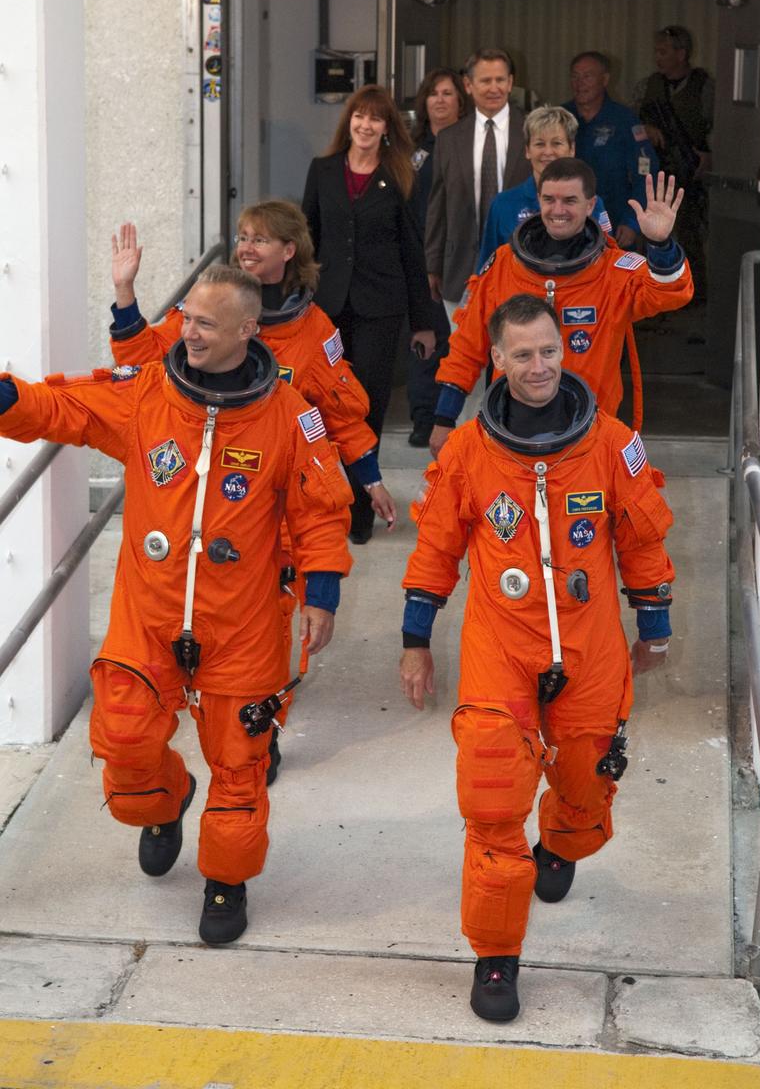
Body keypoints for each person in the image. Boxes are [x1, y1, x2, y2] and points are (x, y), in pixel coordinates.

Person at [0, 266, 353, 945]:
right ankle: (165, 801)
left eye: (205, 323)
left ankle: (226, 881)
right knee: (125, 743)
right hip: (150, 616)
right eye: (187, 317)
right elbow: (61, 408)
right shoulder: (150, 398)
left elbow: (320, 511)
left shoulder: (289, 416)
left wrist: (322, 591)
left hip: (242, 625)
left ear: (248, 331)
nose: (187, 330)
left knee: (240, 766)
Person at [399, 294, 676, 1022]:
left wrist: (656, 623)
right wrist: (415, 639)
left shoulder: (613, 442)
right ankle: (497, 955)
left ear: (564, 349)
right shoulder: (467, 451)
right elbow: (436, 548)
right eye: (522, 354)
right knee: (493, 798)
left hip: (591, 649)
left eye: (549, 350)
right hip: (502, 649)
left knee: (585, 788)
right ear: (496, 359)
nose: (539, 366)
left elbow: (643, 537)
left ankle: (562, 838)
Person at [109, 202, 396, 783]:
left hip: (284, 501)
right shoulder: (210, 306)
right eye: (241, 237)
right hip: (215, 505)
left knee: (271, 629)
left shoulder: (315, 333)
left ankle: (261, 729)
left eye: (260, 240)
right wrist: (125, 297)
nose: (246, 248)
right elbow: (145, 363)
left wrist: (370, 477)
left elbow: (341, 415)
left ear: (289, 251)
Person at [429, 160, 694, 459]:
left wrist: (660, 245)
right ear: (538, 201)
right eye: (549, 200)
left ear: (591, 204)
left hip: (590, 438)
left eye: (570, 200)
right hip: (509, 433)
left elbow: (671, 294)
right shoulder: (504, 265)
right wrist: (444, 418)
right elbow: (467, 346)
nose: (558, 210)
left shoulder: (614, 271)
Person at [302, 85, 436, 543]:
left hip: (381, 309)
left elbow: (412, 251)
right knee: (322, 405)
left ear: (387, 128)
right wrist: (295, 301)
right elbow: (307, 240)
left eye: (376, 119)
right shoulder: (322, 171)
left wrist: (424, 321)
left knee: (367, 407)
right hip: (328, 309)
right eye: (360, 116)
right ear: (350, 121)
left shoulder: (399, 175)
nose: (366, 125)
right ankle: (325, 502)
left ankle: (359, 512)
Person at [424, 48, 529, 315]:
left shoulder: (532, 130)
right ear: (468, 85)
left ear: (510, 82)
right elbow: (439, 207)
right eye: (485, 80)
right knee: (463, 355)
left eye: (500, 79)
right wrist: (432, 266)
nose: (494, 88)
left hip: (523, 270)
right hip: (460, 272)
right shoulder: (449, 139)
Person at [407, 68, 469, 447]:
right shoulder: (410, 149)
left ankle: (458, 418)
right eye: (434, 93)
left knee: (460, 342)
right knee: (423, 339)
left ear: (460, 102)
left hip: (458, 254)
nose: (440, 100)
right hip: (419, 255)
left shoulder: (469, 145)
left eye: (448, 93)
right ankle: (424, 417)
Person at [478, 105, 613, 268]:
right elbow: (486, 267)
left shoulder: (591, 203)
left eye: (556, 143)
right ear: (527, 150)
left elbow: (607, 260)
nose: (548, 152)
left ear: (572, 149)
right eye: (539, 144)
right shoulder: (503, 204)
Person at [634, 25, 714, 299]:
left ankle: (693, 295)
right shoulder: (649, 86)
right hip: (656, 171)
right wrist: (646, 128)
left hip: (691, 172)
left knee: (690, 234)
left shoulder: (703, 86)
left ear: (681, 54)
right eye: (656, 51)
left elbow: (718, 126)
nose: (658, 57)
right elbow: (631, 123)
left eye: (663, 51)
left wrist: (708, 154)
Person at [562, 51, 660, 249]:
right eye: (575, 76)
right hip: (566, 223)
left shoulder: (625, 120)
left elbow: (647, 174)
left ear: (605, 79)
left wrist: (632, 221)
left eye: (587, 76)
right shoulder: (561, 119)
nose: (579, 83)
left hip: (615, 228)